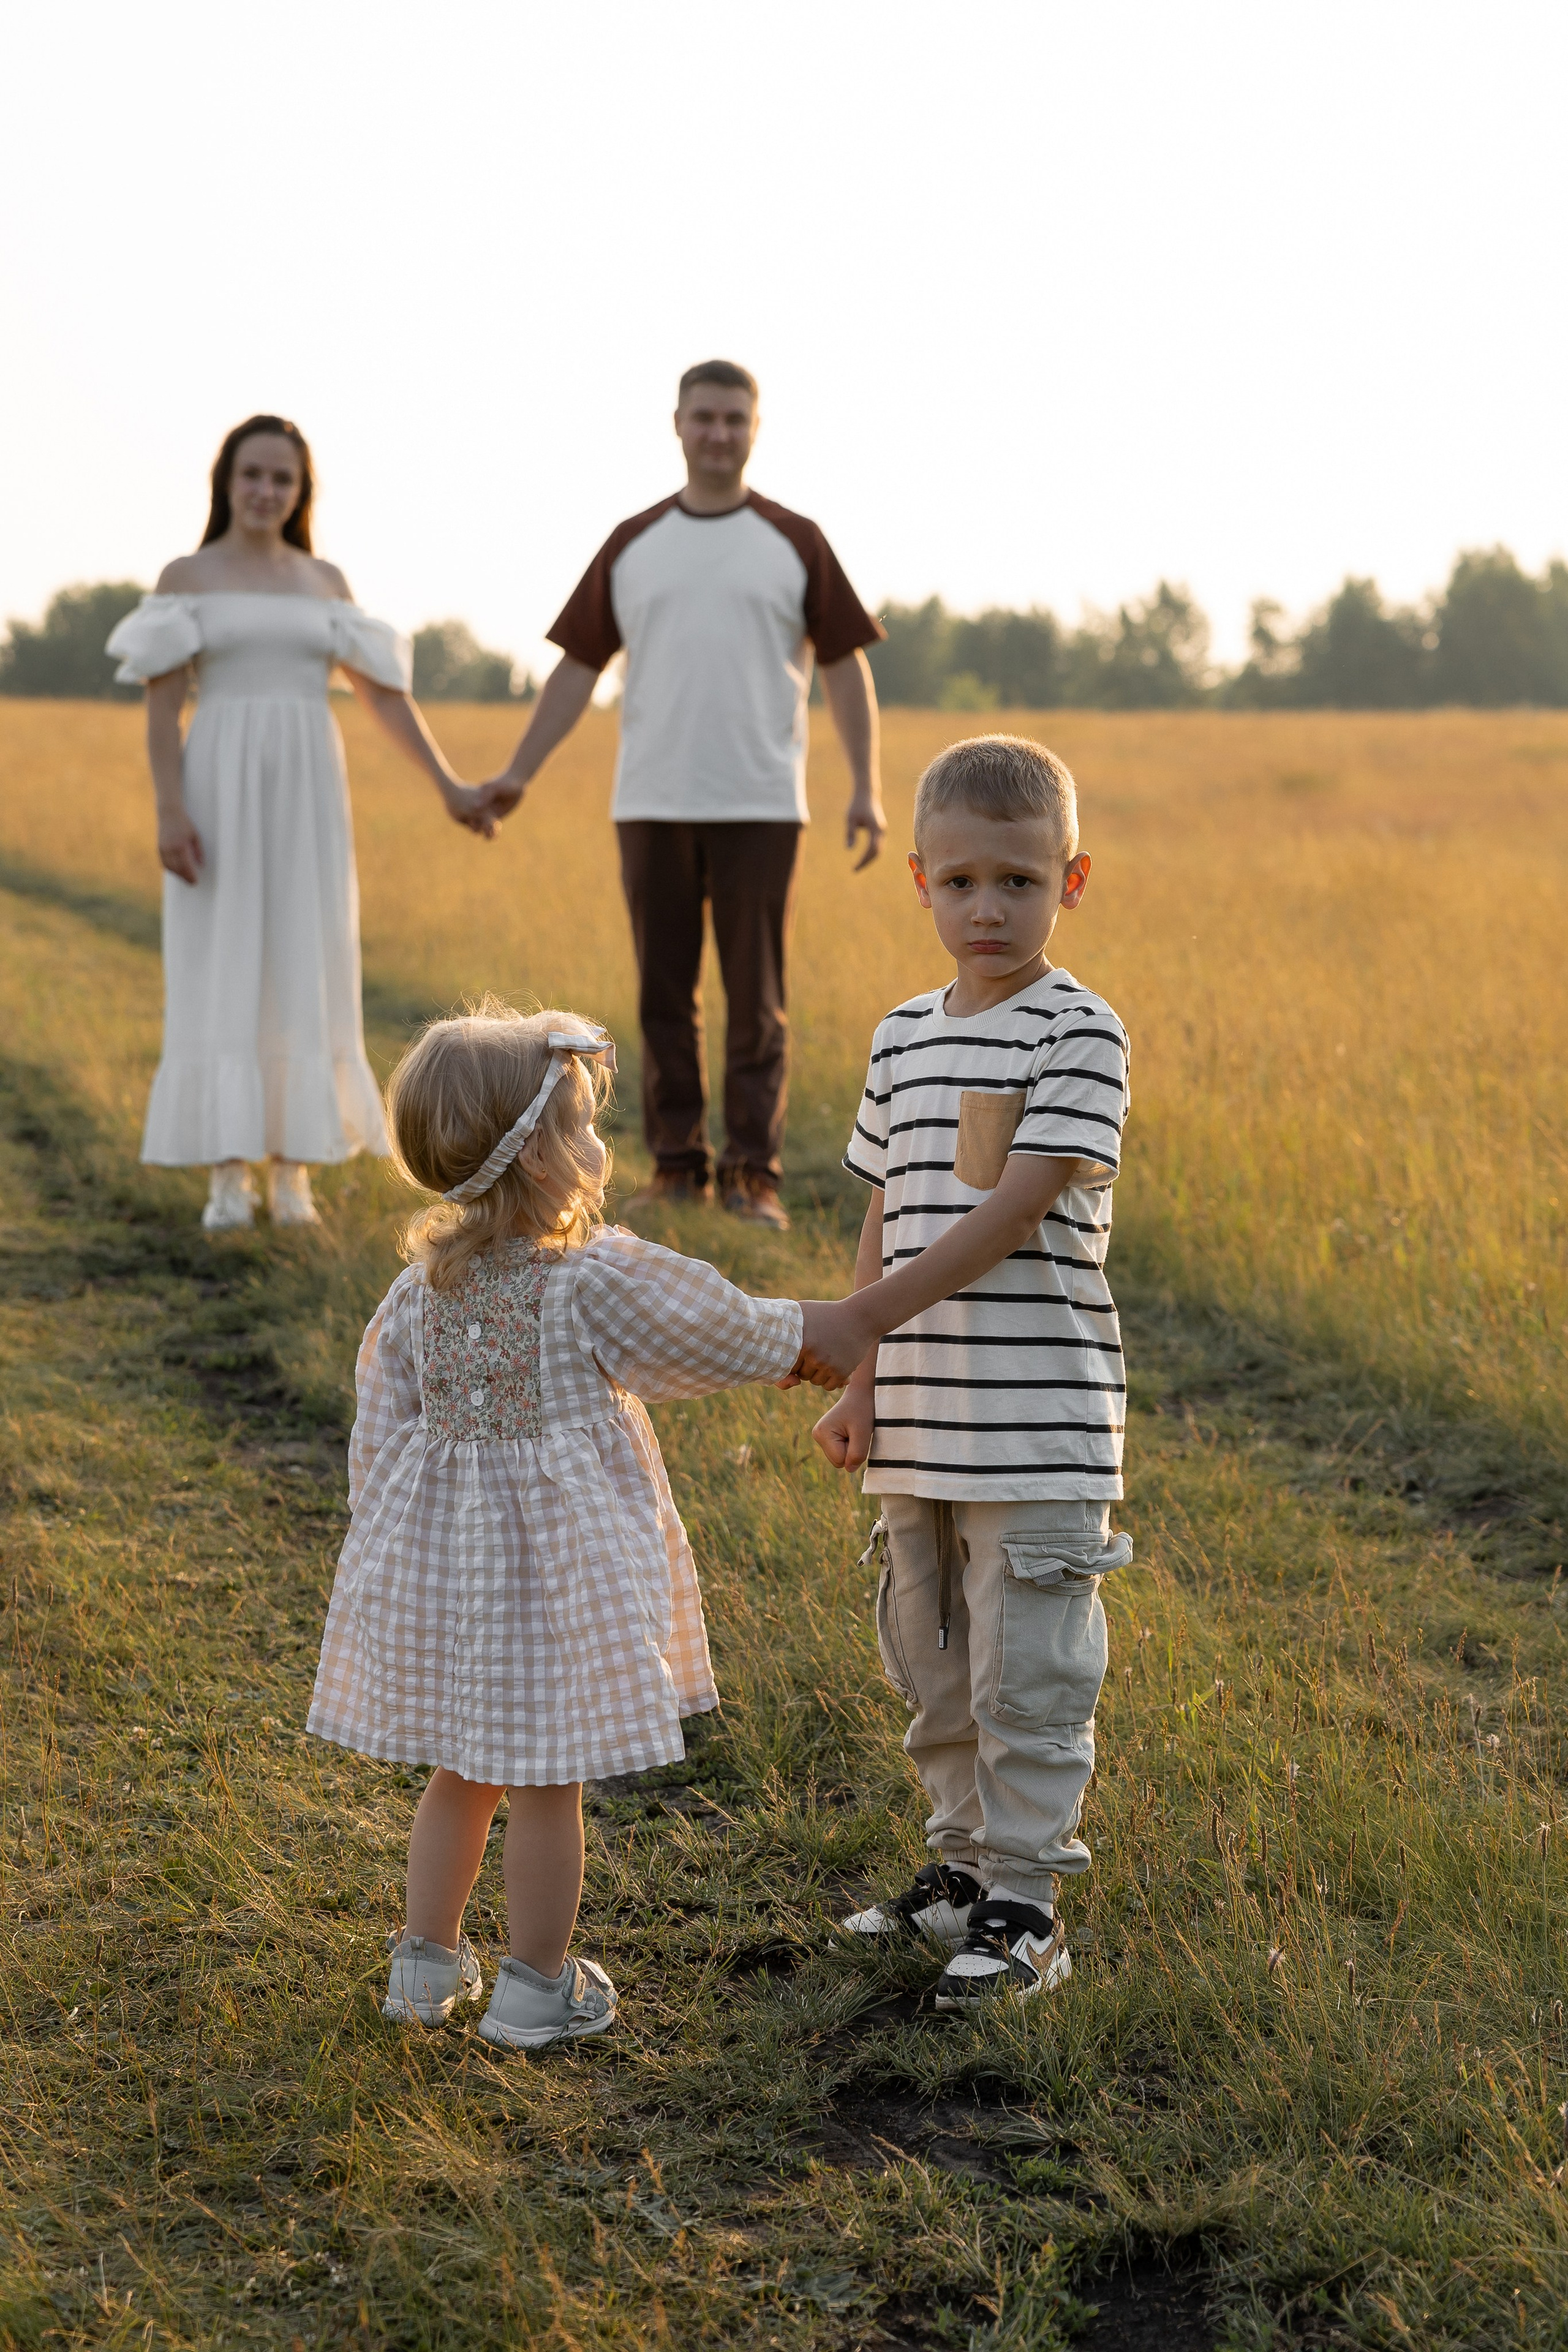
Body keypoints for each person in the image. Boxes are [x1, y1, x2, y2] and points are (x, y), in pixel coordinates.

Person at [307, 1002, 845, 2047]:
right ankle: (536, 1987)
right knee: (550, 1780)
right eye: (585, 1125)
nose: (602, 1146)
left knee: (463, 1770)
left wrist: (388, 1553)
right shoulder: (586, 1284)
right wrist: (807, 1339)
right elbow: (714, 1326)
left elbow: (376, 1446)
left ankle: (422, 1970)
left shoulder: (415, 1297)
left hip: (456, 1576)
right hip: (557, 1577)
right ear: (539, 1156)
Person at [805, 736, 1134, 2010]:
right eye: (959, 884)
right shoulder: (899, 1037)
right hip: (920, 1422)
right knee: (928, 1663)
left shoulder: (1081, 1030)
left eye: (1017, 881)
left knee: (1027, 1672)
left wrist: (851, 1319)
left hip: (1037, 1421)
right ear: (918, 883)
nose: (986, 909)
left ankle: (1025, 1902)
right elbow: (886, 1208)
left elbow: (1009, 1212)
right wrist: (859, 1376)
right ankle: (952, 1871)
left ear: (1072, 879)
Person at [475, 360, 887, 1232]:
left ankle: (752, 1177)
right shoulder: (634, 543)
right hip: (652, 799)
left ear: (755, 428)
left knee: (756, 999)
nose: (719, 433)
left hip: (763, 803)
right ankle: (675, 1168)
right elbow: (577, 670)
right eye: (704, 417)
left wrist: (866, 788)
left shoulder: (795, 540)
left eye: (735, 419)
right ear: (677, 423)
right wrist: (519, 771)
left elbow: (846, 668)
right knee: (665, 997)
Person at [107, 414, 492, 1232]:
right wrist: (170, 811)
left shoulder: (325, 582)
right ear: (226, 480)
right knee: (221, 959)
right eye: (252, 475)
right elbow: (163, 707)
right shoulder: (187, 574)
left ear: (300, 491)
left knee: (306, 960)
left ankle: (292, 1176)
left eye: (282, 479)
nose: (265, 491)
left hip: (310, 795)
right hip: (216, 789)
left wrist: (450, 784)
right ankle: (227, 1173)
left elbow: (385, 698)